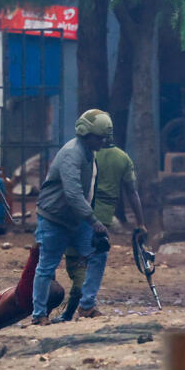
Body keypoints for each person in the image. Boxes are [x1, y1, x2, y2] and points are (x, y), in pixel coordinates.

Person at [31, 109, 111, 324]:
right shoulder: (71, 153)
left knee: (98, 252)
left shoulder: (88, 152)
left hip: (76, 219)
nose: (102, 142)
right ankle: (38, 315)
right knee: (47, 266)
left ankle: (87, 306)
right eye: (99, 137)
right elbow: (73, 193)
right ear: (86, 133)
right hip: (54, 218)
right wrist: (93, 221)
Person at [56, 141, 146, 322]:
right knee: (96, 258)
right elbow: (132, 193)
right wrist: (141, 223)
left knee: (77, 265)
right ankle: (84, 306)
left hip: (79, 213)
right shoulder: (122, 157)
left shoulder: (82, 153)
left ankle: (78, 309)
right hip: (103, 217)